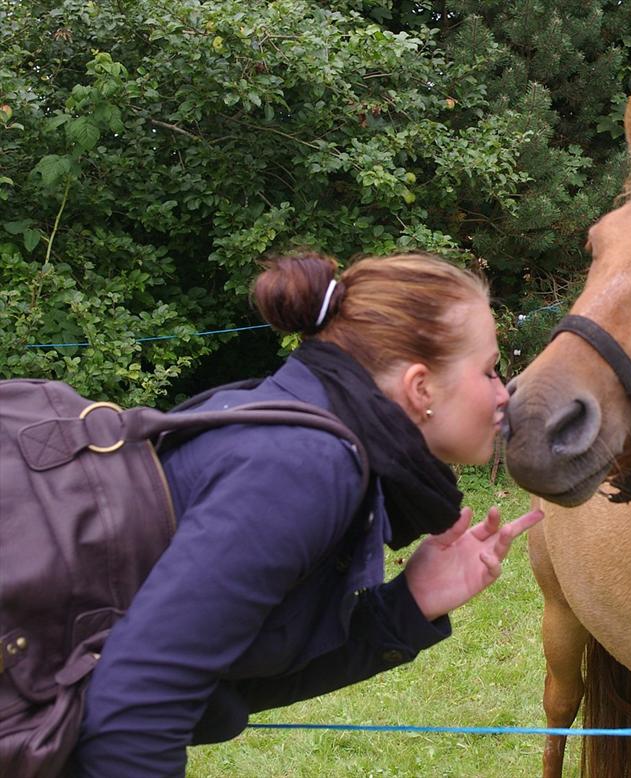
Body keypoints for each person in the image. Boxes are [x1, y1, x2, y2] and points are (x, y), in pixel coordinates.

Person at [72, 251, 543, 776]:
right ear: (420, 388)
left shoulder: (300, 432)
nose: (504, 394)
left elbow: (221, 681)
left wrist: (410, 604)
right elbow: (135, 712)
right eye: (489, 370)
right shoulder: (304, 465)